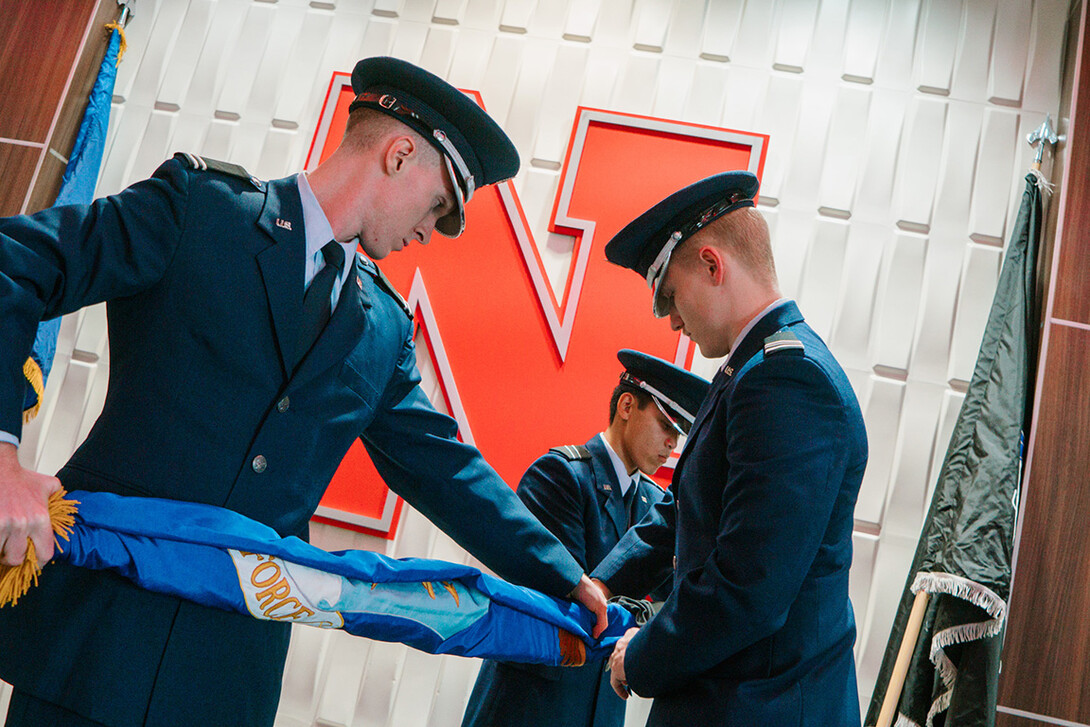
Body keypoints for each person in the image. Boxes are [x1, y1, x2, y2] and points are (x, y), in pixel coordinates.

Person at [0, 56, 606, 727]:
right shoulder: (198, 209)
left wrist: (564, 574)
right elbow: (15, 266)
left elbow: (445, 468)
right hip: (93, 641)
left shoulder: (383, 329)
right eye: (438, 205)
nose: (431, 231)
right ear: (400, 154)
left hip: (225, 677)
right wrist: (1, 455)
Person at [592, 171, 868, 726]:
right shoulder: (750, 372)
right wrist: (601, 583)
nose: (670, 319)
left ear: (713, 266)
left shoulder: (788, 381)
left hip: (760, 707)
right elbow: (683, 509)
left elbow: (749, 586)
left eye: (668, 295)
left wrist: (640, 658)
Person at [461, 350, 710, 727]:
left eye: (678, 435)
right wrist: (646, 609)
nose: (671, 446)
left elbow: (672, 590)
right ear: (627, 405)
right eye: (665, 426)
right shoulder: (560, 476)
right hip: (535, 704)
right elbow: (572, 594)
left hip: (603, 708)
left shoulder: (658, 505)